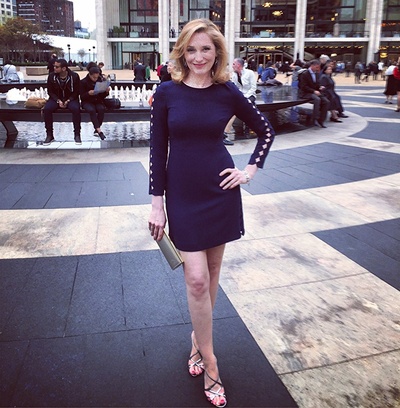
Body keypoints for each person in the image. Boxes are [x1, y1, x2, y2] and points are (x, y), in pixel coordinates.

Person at [148, 18, 275, 408]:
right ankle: (211, 361)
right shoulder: (166, 92)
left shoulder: (227, 91)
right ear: (182, 52)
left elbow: (266, 131)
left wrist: (248, 172)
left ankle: (196, 343)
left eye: (206, 48)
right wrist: (157, 204)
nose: (198, 56)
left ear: (217, 51)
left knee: (212, 274)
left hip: (220, 192)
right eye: (191, 49)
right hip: (182, 195)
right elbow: (157, 150)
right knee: (197, 280)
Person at [43, 58, 81, 145]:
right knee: (47, 109)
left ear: (63, 68)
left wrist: (69, 100)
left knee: (76, 109)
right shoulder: (51, 76)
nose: (54, 68)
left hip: (71, 99)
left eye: (57, 67)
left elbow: (77, 91)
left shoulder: (74, 76)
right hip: (56, 99)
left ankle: (77, 134)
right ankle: (49, 135)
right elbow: (50, 91)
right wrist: (58, 100)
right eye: (54, 66)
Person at [223, 57, 257, 145]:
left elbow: (253, 88)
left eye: (234, 64)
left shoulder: (249, 73)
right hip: (241, 96)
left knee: (236, 110)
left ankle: (224, 134)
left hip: (250, 95)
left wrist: (244, 97)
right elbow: (236, 87)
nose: (232, 66)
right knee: (231, 110)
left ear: (238, 65)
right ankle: (224, 134)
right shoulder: (234, 75)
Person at [80, 66, 110, 140]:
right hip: (87, 101)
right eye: (94, 77)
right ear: (90, 75)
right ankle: (99, 131)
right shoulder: (83, 82)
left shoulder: (100, 80)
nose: (95, 79)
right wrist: (88, 93)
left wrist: (106, 92)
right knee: (91, 110)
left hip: (97, 100)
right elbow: (82, 96)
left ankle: (97, 130)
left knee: (101, 109)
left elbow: (102, 96)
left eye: (97, 77)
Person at [298, 59, 329, 128]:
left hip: (315, 92)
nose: (318, 69)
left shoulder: (316, 73)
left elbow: (317, 84)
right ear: (312, 66)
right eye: (316, 67)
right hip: (306, 93)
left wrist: (320, 87)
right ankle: (314, 119)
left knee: (326, 101)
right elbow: (303, 87)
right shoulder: (305, 74)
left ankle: (321, 120)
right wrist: (313, 91)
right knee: (317, 99)